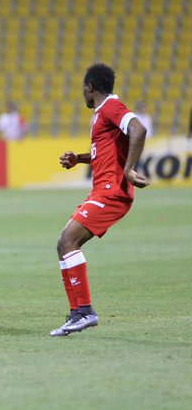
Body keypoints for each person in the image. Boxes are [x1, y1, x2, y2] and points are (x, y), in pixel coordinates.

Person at [50, 63, 149, 337]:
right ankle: (78, 313)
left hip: (111, 191)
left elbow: (139, 130)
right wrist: (79, 159)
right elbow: (105, 150)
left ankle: (84, 312)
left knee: (66, 240)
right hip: (101, 191)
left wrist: (128, 170)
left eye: (83, 88)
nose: (83, 92)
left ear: (90, 87)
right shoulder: (101, 115)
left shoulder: (111, 108)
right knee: (66, 245)